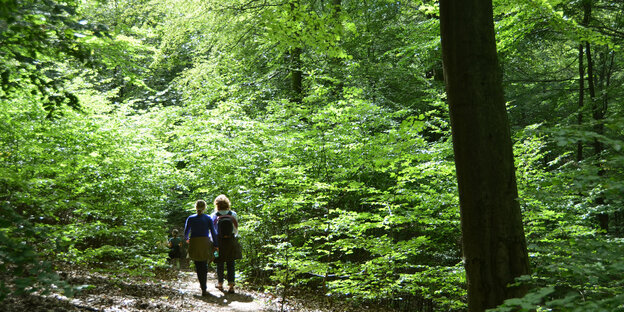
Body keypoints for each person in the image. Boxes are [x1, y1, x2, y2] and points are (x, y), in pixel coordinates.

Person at [184, 200, 218, 296]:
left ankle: (202, 286)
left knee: (198, 264)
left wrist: (187, 239)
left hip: (194, 242)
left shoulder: (190, 218)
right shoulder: (207, 218)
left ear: (196, 207)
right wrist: (216, 244)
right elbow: (213, 232)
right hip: (204, 242)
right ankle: (204, 286)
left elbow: (186, 233)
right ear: (204, 208)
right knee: (204, 263)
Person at [211, 194, 241, 294]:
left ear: (217, 204)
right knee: (231, 262)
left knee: (219, 261)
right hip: (231, 241)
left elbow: (212, 231)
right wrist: (232, 236)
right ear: (228, 203)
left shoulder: (214, 215)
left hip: (218, 242)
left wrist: (214, 242)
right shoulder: (233, 214)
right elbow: (236, 230)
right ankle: (231, 285)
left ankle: (220, 283)